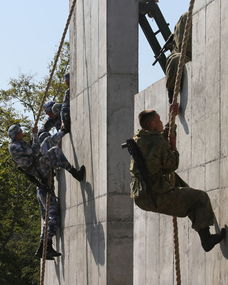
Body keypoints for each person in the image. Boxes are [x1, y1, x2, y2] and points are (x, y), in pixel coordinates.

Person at [130, 106, 226, 252]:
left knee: (184, 191)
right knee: (200, 198)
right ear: (153, 124)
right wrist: (173, 145)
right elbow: (172, 164)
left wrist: (171, 119)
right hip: (156, 195)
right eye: (159, 120)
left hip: (141, 195)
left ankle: (203, 230)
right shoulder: (156, 142)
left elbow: (160, 139)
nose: (161, 122)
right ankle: (207, 240)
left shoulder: (140, 138)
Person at [166, 12, 192, 104]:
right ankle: (172, 97)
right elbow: (181, 44)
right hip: (185, 55)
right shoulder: (186, 17)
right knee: (176, 59)